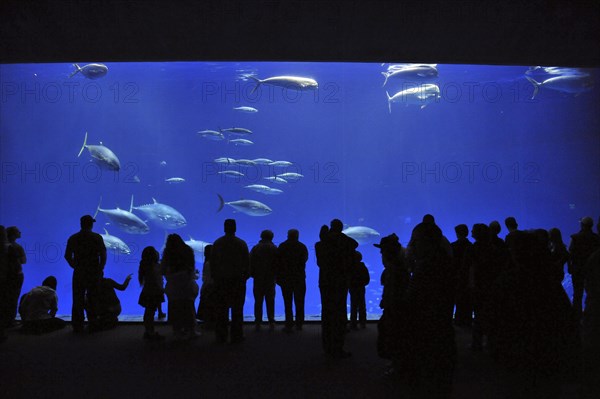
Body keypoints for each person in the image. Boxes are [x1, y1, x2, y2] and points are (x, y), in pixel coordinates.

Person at [403, 220, 456, 396]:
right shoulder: (446, 261)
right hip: (441, 326)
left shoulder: (425, 268)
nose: (413, 245)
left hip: (426, 329)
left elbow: (413, 299)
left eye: (416, 241)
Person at [318, 219, 358, 358]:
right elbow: (355, 244)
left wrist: (327, 235)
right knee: (340, 314)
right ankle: (338, 347)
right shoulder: (344, 243)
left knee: (327, 314)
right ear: (340, 229)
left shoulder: (321, 244)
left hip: (325, 283)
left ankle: (327, 348)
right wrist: (338, 235)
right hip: (340, 282)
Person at [64, 215, 107, 334]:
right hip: (93, 272)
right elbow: (103, 255)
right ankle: (93, 323)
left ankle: (77, 325)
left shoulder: (73, 238)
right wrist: (100, 268)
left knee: (77, 298)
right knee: (93, 298)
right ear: (91, 224)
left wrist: (75, 266)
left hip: (79, 272)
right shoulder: (97, 237)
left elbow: (67, 256)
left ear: (81, 224)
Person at [211, 219, 250, 343]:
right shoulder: (241, 243)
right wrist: (244, 277)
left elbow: (212, 263)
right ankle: (237, 335)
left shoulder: (217, 243)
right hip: (237, 281)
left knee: (221, 309)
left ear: (224, 228)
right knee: (237, 310)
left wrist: (215, 278)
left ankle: (221, 336)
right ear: (235, 228)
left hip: (221, 282)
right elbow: (247, 263)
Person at [162, 233, 198, 340]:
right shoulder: (188, 251)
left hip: (172, 285)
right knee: (188, 307)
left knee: (174, 308)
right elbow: (191, 268)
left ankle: (177, 331)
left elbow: (163, 270)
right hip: (186, 284)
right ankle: (191, 331)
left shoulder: (167, 253)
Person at [277, 228, 309, 332]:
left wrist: (278, 277)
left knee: (288, 302)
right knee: (300, 301)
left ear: (288, 235)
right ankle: (299, 324)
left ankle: (289, 324)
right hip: (299, 278)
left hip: (286, 278)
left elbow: (278, 262)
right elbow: (305, 259)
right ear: (297, 236)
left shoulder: (282, 246)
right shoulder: (302, 246)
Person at [568, 216, 600, 319]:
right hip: (592, 271)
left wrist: (570, 267)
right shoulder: (597, 239)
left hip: (578, 270)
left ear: (582, 225)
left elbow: (570, 253)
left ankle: (576, 317)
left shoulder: (575, 238)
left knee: (577, 294)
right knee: (592, 293)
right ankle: (591, 315)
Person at [249, 230, 278, 331]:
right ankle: (271, 321)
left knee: (258, 301)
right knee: (270, 300)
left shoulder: (256, 248)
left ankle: (258, 322)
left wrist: (253, 275)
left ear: (261, 236)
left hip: (258, 278)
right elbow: (278, 263)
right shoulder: (274, 248)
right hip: (270, 279)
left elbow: (250, 262)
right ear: (272, 237)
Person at [138, 246, 165, 340]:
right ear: (154, 256)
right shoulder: (154, 267)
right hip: (154, 292)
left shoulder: (145, 266)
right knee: (150, 313)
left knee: (149, 312)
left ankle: (148, 331)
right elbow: (156, 279)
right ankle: (150, 333)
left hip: (148, 292)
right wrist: (161, 289)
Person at [451, 224, 473, 326]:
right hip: (468, 276)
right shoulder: (471, 246)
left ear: (457, 233)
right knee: (467, 300)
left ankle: (459, 320)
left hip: (456, 277)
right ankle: (467, 320)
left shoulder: (453, 246)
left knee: (459, 300)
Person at [6, 226, 26, 326]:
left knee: (5, 297)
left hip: (5, 275)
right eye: (18, 231)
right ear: (14, 234)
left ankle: (4, 319)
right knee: (14, 297)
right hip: (16, 275)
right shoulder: (17, 247)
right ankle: (11, 320)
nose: (20, 232)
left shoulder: (3, 246)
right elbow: (24, 261)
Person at [197, 245, 218, 329]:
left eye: (205, 251)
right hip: (214, 286)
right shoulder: (216, 262)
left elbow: (206, 278)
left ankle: (208, 324)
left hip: (208, 287)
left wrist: (204, 288)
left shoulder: (208, 263)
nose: (204, 253)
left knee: (208, 306)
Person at [348, 251, 370, 329]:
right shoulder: (363, 267)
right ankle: (362, 323)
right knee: (362, 305)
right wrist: (362, 283)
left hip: (353, 288)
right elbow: (367, 279)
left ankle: (353, 323)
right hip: (361, 288)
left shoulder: (350, 268)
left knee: (353, 306)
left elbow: (348, 278)